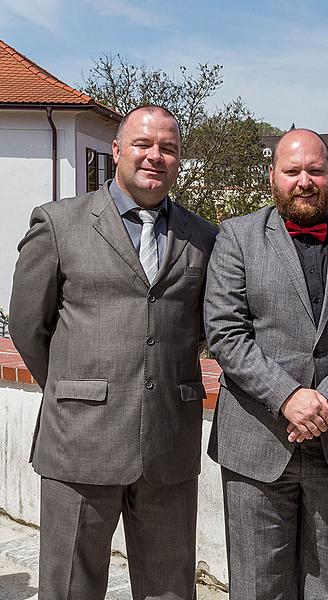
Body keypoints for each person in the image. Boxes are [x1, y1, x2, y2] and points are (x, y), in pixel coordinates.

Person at [9, 105, 217, 599]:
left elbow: (205, 329)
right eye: (144, 144)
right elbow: (26, 327)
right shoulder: (60, 224)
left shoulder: (203, 236)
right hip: (79, 442)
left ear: (179, 160)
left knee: (170, 589)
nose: (155, 156)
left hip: (168, 441)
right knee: (70, 588)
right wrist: (73, 390)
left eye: (168, 148)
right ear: (117, 151)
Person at [205, 128, 328, 599]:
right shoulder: (237, 237)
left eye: (315, 170)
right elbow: (225, 333)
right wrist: (288, 397)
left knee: (326, 588)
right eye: (292, 171)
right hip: (256, 440)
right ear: (273, 175)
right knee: (256, 588)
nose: (304, 181)